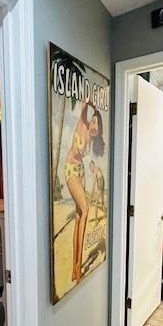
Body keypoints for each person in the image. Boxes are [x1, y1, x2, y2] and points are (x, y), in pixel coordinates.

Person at [65, 100, 105, 283]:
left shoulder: (92, 139)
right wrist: (89, 102)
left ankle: (75, 268)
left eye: (97, 123)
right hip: (71, 170)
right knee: (86, 210)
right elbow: (82, 109)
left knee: (79, 218)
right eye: (93, 121)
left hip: (81, 171)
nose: (94, 126)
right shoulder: (83, 124)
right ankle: (77, 267)